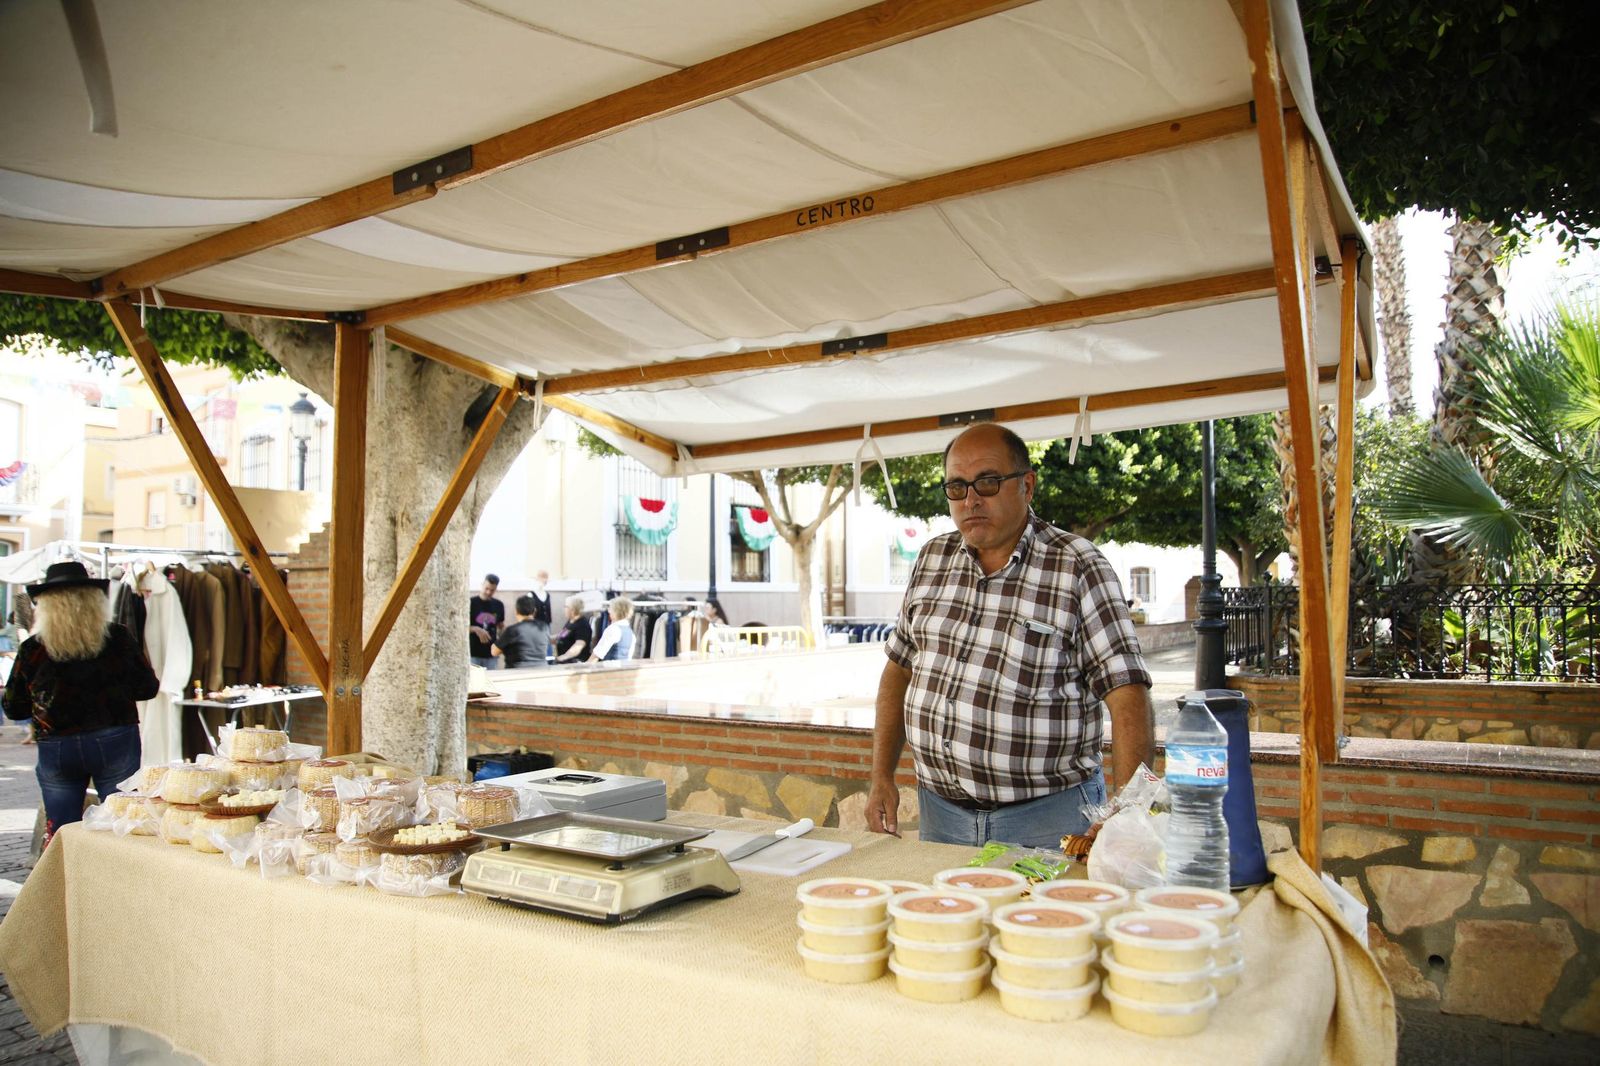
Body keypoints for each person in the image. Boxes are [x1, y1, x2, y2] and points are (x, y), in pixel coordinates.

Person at [865, 422, 1154, 849]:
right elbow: (899, 669)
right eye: (957, 487)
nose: (971, 499)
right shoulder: (932, 559)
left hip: (1049, 820)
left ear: (1028, 485)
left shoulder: (1077, 566)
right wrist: (881, 776)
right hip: (941, 819)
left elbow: (1127, 695)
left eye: (988, 481)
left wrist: (1128, 814)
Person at [2, 561, 159, 844]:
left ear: (46, 606)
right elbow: (147, 688)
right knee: (122, 826)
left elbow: (14, 708)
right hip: (115, 739)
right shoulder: (118, 638)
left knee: (64, 833)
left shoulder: (33, 649)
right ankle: (121, 883)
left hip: (58, 745)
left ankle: (67, 884)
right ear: (94, 601)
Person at [493, 595, 547, 669]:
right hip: (541, 670)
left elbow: (494, 652)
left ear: (516, 611)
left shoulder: (512, 630)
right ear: (534, 611)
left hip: (518, 673)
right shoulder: (544, 627)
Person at [469, 573, 504, 669]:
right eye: (486, 588)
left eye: (492, 590)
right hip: (473, 653)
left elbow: (501, 626)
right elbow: (462, 627)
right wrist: (476, 629)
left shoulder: (499, 605)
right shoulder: (470, 603)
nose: (488, 592)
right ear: (482, 585)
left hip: (491, 654)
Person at [587, 598, 635, 663]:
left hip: (610, 670)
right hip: (624, 670)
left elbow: (597, 654)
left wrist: (584, 668)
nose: (609, 611)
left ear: (616, 611)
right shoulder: (630, 632)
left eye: (610, 609)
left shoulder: (613, 629)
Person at [523, 570, 553, 666]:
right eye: (543, 577)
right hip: (535, 627)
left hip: (546, 627)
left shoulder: (547, 595)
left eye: (546, 577)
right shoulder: (531, 595)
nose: (545, 580)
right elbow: (528, 614)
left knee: (548, 649)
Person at [552, 595, 593, 664]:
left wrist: (564, 657)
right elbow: (561, 636)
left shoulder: (582, 625)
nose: (564, 609)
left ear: (573, 610)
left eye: (566, 607)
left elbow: (578, 645)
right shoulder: (570, 621)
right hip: (565, 662)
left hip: (575, 663)